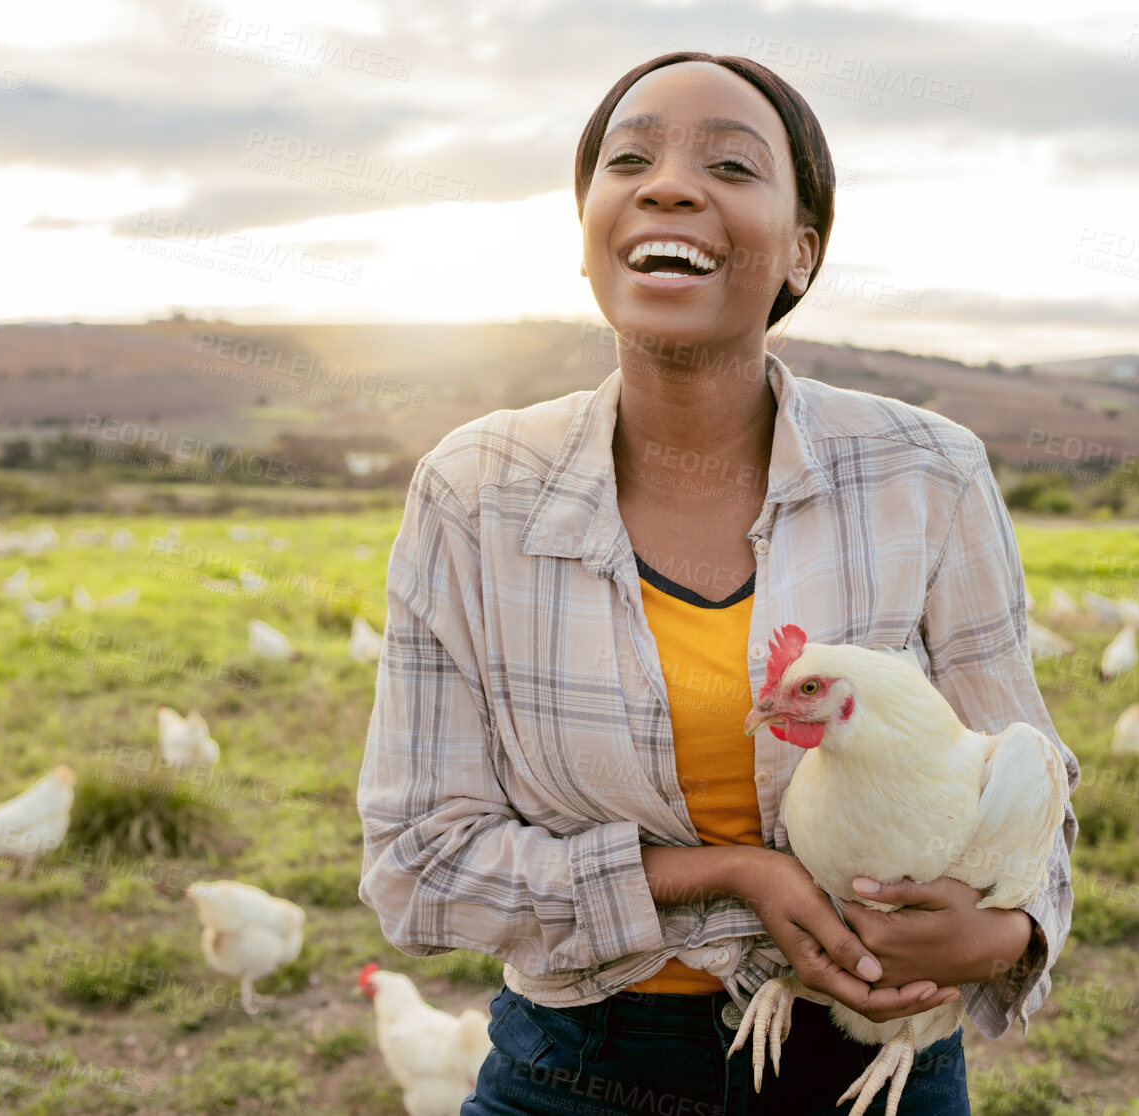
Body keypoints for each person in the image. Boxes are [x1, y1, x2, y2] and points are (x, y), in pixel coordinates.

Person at [358, 51, 1080, 1116]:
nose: (670, 184)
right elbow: (418, 866)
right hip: (579, 1064)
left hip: (872, 1055)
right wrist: (735, 874)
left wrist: (1009, 931)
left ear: (801, 250)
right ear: (589, 229)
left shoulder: (925, 472)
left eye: (732, 166)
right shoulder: (473, 492)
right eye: (630, 159)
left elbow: (1029, 792)